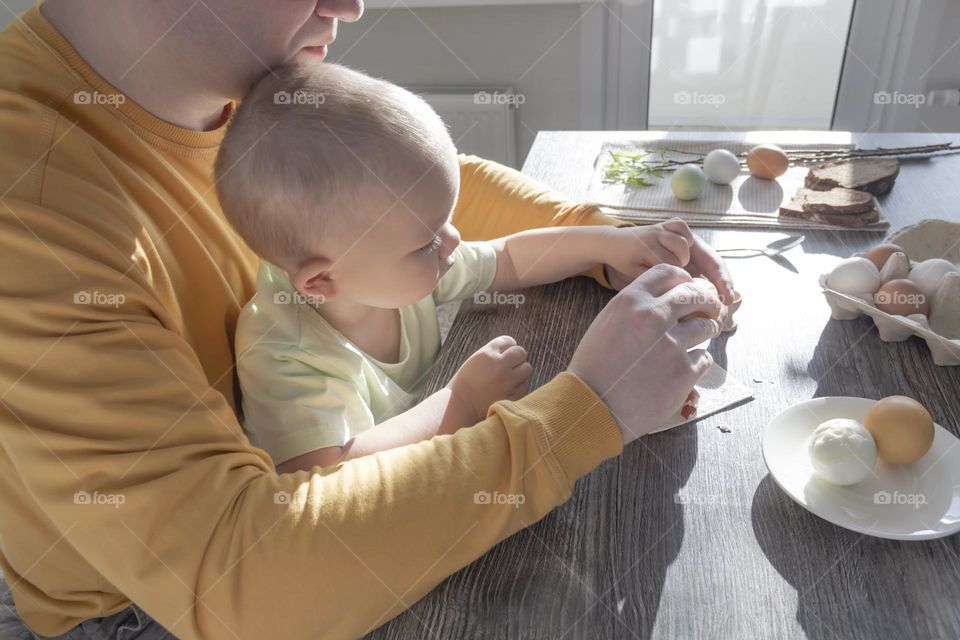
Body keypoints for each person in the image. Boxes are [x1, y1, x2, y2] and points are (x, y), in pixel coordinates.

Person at [0, 1, 733, 638]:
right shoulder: (26, 203)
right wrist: (586, 412)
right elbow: (244, 589)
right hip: (151, 608)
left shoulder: (224, 84)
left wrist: (609, 241)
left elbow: (403, 186)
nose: (350, 5)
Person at [220, 62, 703, 472]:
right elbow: (328, 476)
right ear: (321, 280)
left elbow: (507, 258)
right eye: (427, 239)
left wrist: (608, 244)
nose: (451, 240)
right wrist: (461, 403)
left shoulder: (388, 269)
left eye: (445, 222)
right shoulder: (284, 352)